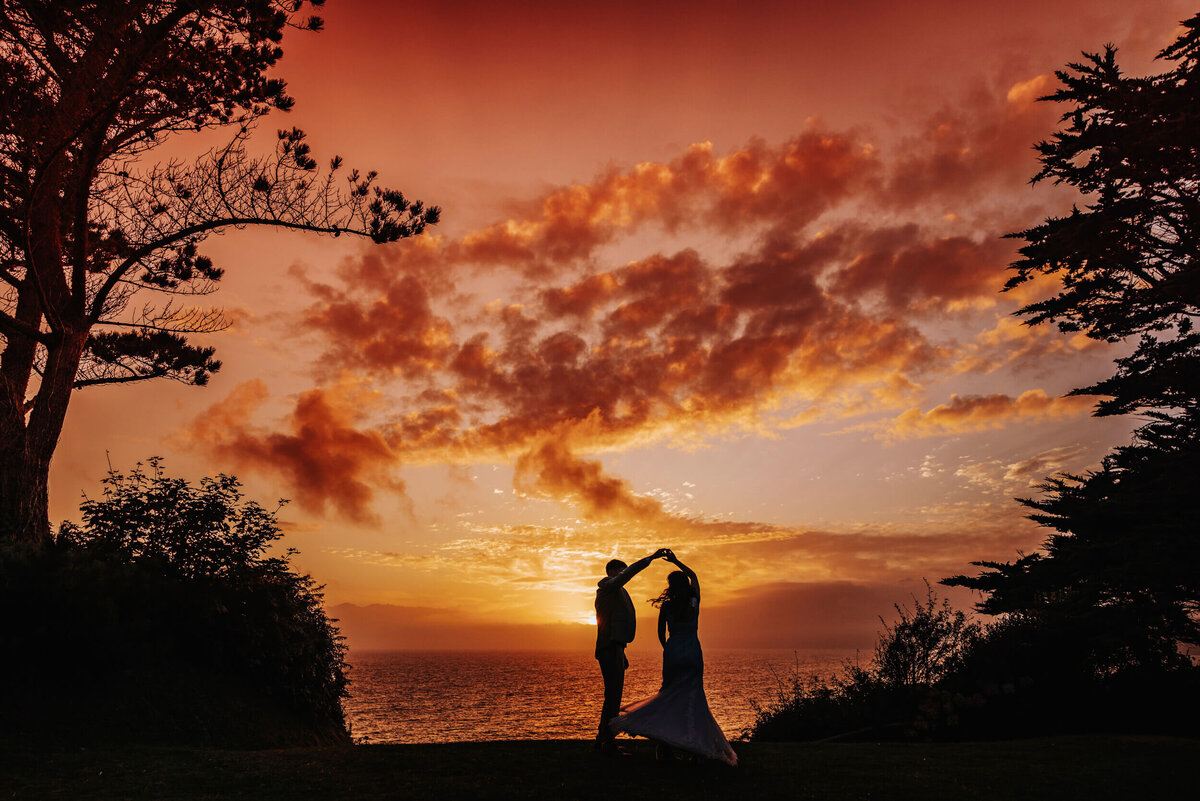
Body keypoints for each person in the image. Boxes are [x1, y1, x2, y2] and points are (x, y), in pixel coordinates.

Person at [608, 550, 737, 766]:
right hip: (693, 652)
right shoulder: (694, 600)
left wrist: (668, 648)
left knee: (667, 695)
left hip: (674, 651)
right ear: (685, 584)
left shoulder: (667, 606)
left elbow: (660, 633)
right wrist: (676, 561)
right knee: (693, 699)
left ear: (670, 587)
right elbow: (694, 575)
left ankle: (664, 746)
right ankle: (695, 746)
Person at [594, 547, 670, 755]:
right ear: (614, 571)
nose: (625, 575)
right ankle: (606, 742)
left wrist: (622, 650)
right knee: (613, 696)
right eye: (622, 572)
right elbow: (627, 574)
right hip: (610, 648)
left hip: (615, 647)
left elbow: (611, 624)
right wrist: (651, 558)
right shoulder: (608, 587)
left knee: (613, 695)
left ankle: (603, 739)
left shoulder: (616, 591)